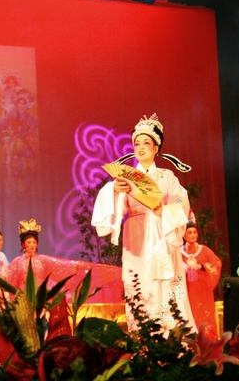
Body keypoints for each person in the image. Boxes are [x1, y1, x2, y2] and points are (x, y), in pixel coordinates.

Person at [91, 114, 196, 332]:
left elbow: (182, 204)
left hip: (161, 232)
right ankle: (141, 335)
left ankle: (170, 334)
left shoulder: (168, 177)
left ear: (156, 148)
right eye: (136, 143)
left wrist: (163, 210)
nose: (140, 147)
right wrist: (114, 190)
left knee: (165, 284)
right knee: (138, 283)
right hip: (136, 236)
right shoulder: (127, 177)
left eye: (146, 143)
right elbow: (115, 209)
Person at [7, 219, 123, 304]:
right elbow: (10, 283)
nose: (32, 245)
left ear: (37, 244)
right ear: (23, 245)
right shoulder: (17, 262)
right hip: (24, 300)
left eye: (34, 242)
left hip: (41, 299)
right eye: (29, 242)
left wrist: (76, 267)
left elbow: (61, 266)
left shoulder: (43, 260)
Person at [180, 221, 222, 340]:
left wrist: (202, 266)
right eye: (189, 232)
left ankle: (208, 342)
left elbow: (217, 263)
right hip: (186, 289)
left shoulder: (204, 250)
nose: (193, 235)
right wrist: (184, 268)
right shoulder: (179, 252)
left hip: (203, 289)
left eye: (195, 232)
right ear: (184, 235)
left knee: (205, 315)